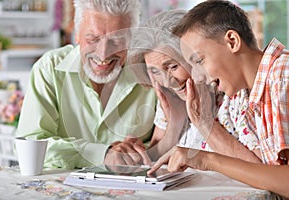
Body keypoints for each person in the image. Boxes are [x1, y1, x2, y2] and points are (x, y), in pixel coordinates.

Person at [148, 1, 289, 198]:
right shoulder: (258, 93)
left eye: (199, 61)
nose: (197, 77)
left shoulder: (282, 77)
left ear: (232, 41)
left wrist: (207, 159)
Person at [15, 0, 157, 169]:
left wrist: (139, 152)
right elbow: (30, 145)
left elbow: (164, 144)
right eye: (93, 39)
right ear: (77, 35)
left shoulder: (151, 71)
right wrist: (104, 155)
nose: (104, 53)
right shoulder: (49, 69)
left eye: (117, 41)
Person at [129, 9, 261, 162]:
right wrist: (174, 125)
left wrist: (205, 123)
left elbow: (261, 172)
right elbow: (155, 160)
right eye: (155, 72)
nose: (168, 81)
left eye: (173, 67)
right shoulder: (171, 95)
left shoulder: (236, 93)